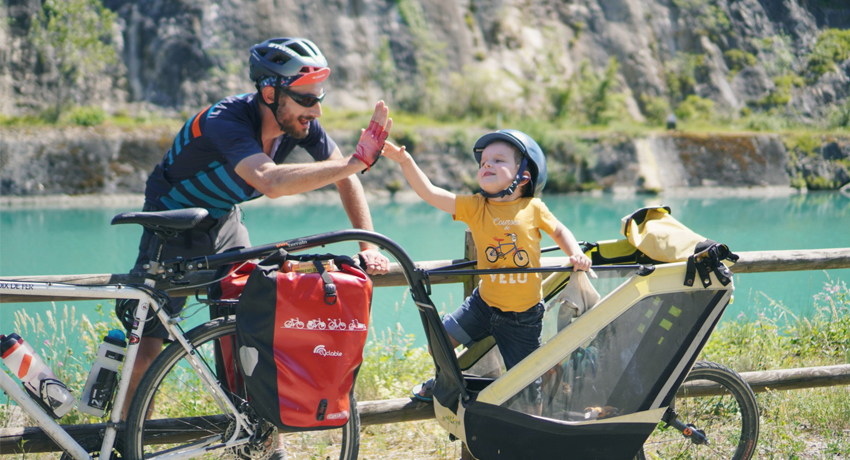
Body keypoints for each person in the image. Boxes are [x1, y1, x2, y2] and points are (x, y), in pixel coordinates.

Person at [124, 37, 392, 456]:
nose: (316, 110)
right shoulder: (226, 120)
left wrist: (367, 243)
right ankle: (126, 441)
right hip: (170, 224)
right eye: (306, 98)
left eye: (319, 97)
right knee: (150, 340)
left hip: (224, 220)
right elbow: (271, 181)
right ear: (270, 93)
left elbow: (345, 177)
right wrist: (355, 161)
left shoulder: (298, 124)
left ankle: (264, 443)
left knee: (256, 326)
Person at [381, 129, 592, 402]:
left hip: (522, 318)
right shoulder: (475, 206)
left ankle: (533, 431)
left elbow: (560, 231)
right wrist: (405, 161)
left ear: (523, 176)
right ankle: (448, 381)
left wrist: (576, 254)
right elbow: (431, 193)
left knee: (527, 386)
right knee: (439, 343)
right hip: (483, 304)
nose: (487, 165)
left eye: (498, 160)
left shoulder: (534, 208)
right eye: (483, 163)